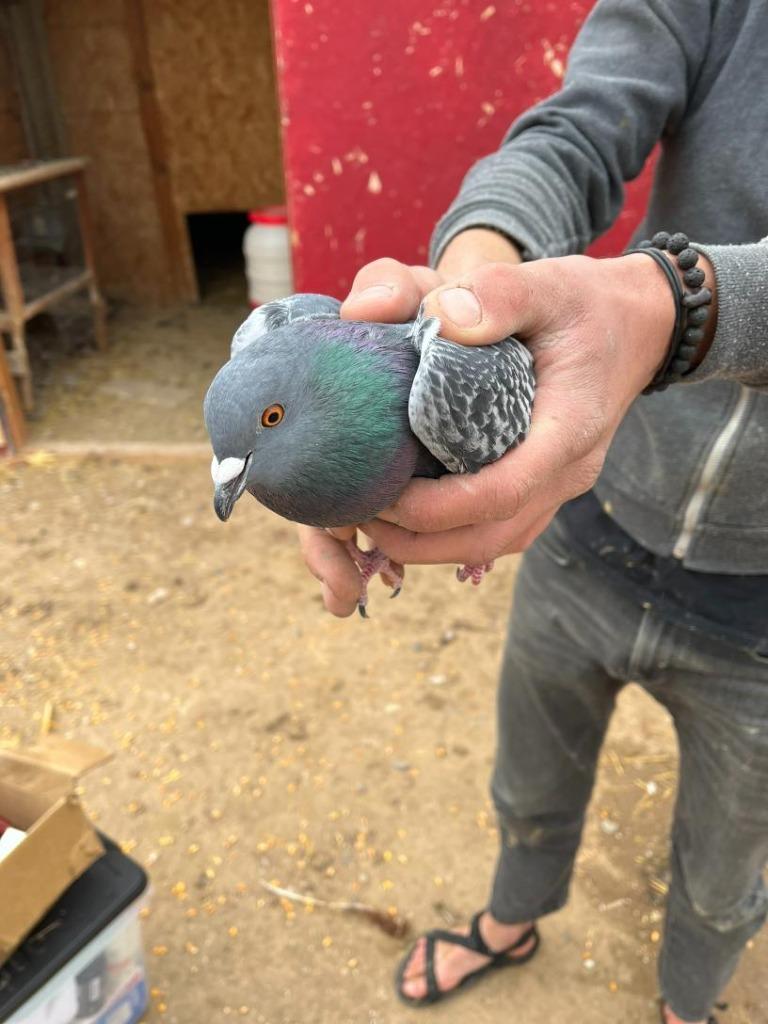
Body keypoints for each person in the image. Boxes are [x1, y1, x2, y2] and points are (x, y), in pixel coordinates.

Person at [298, 2, 768, 1021]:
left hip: (763, 617)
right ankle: (509, 919)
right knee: (532, 774)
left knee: (728, 867)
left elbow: (675, 309)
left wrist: (683, 310)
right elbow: (576, 131)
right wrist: (479, 281)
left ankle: (691, 1003)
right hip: (592, 519)